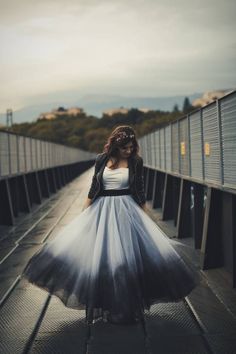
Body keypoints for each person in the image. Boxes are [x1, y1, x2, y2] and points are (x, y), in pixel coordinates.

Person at [22, 125, 200, 325]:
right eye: (125, 148)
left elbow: (139, 189)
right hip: (102, 209)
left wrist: (145, 217)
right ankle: (106, 304)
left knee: (124, 258)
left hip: (126, 209)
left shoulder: (136, 162)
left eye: (132, 147)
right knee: (103, 258)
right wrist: (84, 212)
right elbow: (93, 187)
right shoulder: (101, 159)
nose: (129, 151)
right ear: (115, 145)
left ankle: (123, 308)